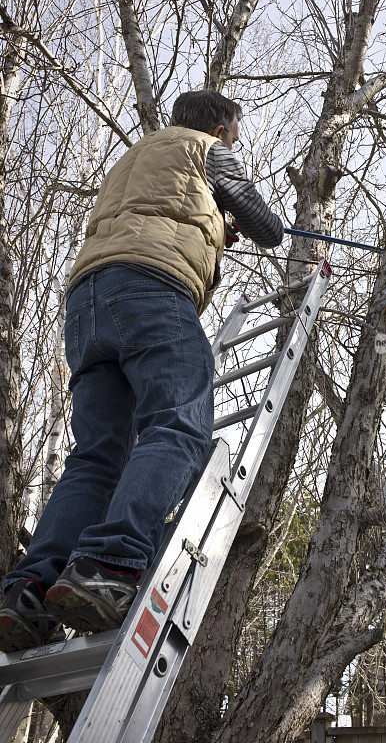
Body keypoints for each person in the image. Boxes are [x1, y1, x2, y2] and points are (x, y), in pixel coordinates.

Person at [0, 90, 284, 652]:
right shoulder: (207, 148)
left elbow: (154, 211)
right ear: (223, 126)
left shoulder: (135, 158)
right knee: (177, 425)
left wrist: (211, 225)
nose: (235, 139)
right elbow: (261, 220)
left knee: (95, 458)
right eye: (236, 129)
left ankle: (28, 592)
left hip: (86, 300)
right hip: (151, 288)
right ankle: (110, 563)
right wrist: (260, 226)